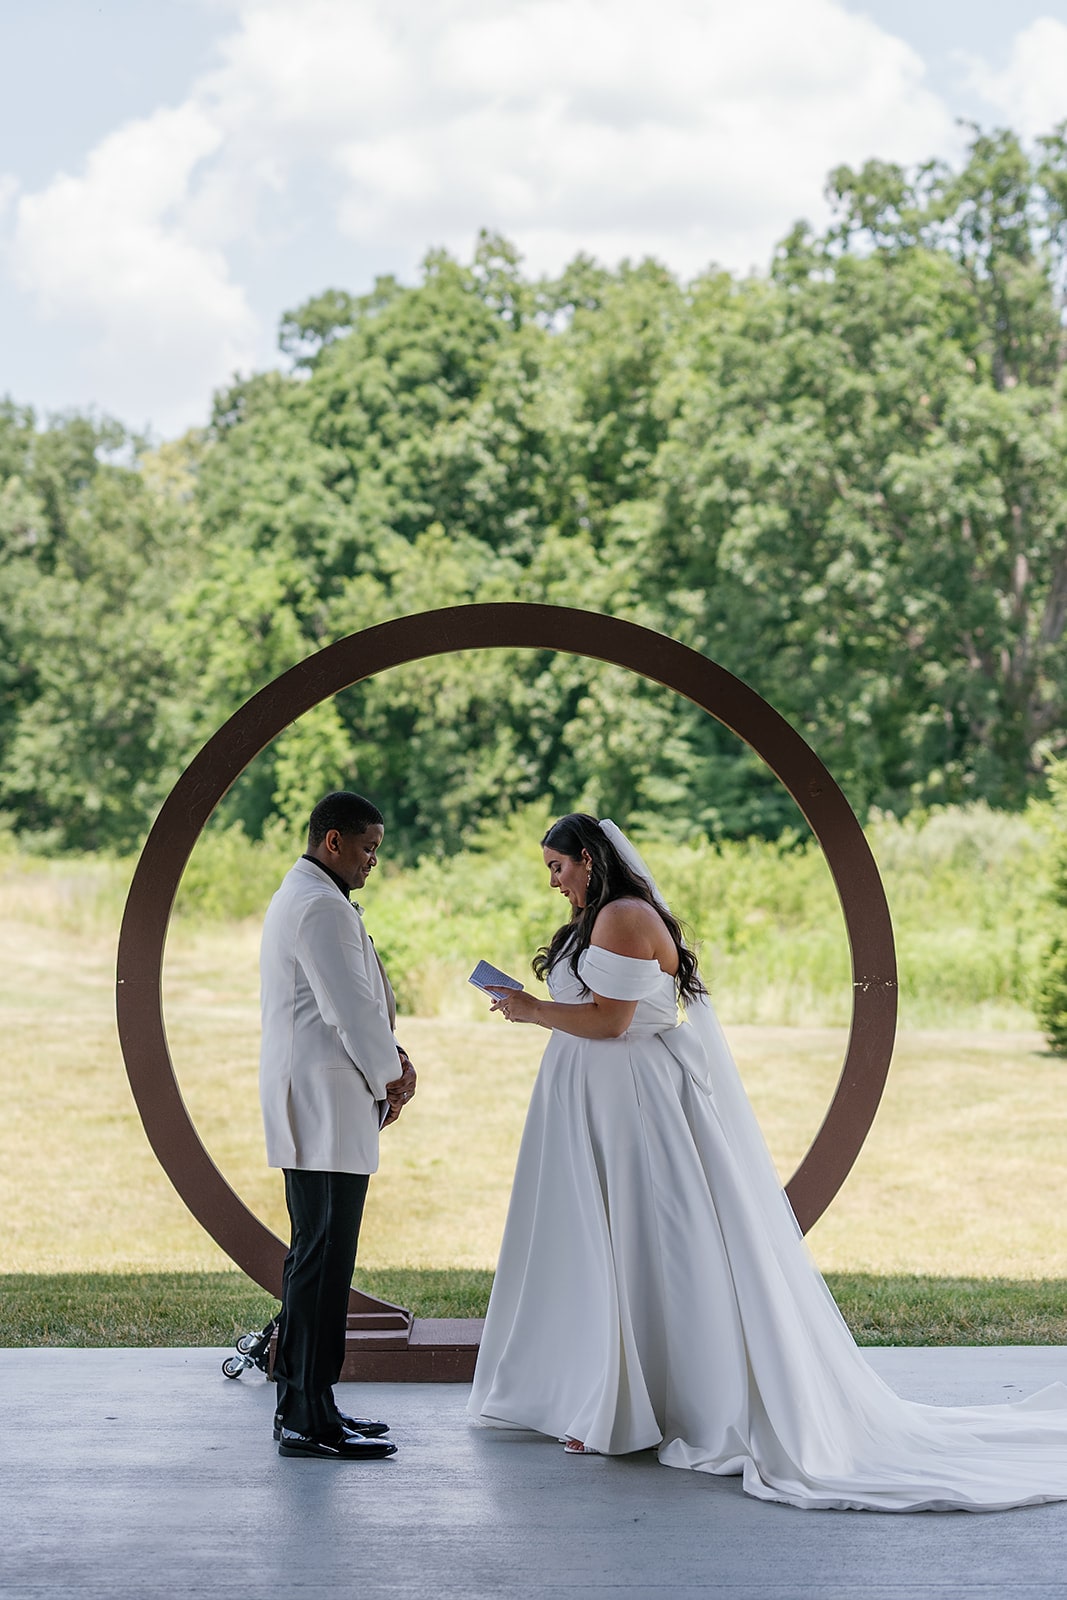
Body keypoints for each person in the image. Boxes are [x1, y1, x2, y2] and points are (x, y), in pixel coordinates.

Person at [468, 813, 1067, 1511]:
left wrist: (531, 1009)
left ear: (589, 861)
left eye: (558, 867)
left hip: (631, 1104)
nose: (553, 881)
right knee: (598, 1241)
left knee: (635, 1236)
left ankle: (639, 1402)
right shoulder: (599, 919)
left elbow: (612, 1021)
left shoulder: (624, 917)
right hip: (597, 1103)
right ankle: (604, 1392)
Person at [260, 790, 415, 1461]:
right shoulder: (319, 904)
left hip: (322, 1100)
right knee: (321, 1263)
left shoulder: (309, 894)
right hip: (324, 1102)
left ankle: (311, 1403)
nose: (373, 860)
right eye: (367, 847)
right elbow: (348, 1010)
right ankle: (305, 1416)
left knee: (317, 1258)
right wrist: (393, 1075)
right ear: (332, 841)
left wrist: (390, 1058)